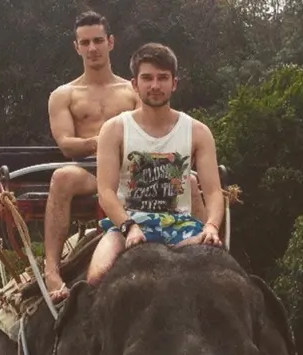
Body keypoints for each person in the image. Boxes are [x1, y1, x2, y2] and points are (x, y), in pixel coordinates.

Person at [87, 43, 224, 284]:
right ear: (134, 84)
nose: (155, 85)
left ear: (174, 83)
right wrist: (129, 227)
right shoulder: (114, 129)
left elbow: (213, 191)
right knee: (97, 277)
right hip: (127, 225)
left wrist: (211, 226)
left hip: (182, 227)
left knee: (222, 279)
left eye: (163, 78)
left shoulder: (198, 132)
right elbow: (105, 191)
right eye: (147, 78)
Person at [44, 11, 139, 301]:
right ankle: (51, 269)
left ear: (111, 42)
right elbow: (66, 144)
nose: (92, 48)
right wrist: (101, 142)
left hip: (130, 172)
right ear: (77, 47)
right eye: (85, 42)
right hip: (89, 171)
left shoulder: (133, 89)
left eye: (98, 40)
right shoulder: (64, 94)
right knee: (62, 176)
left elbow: (149, 130)